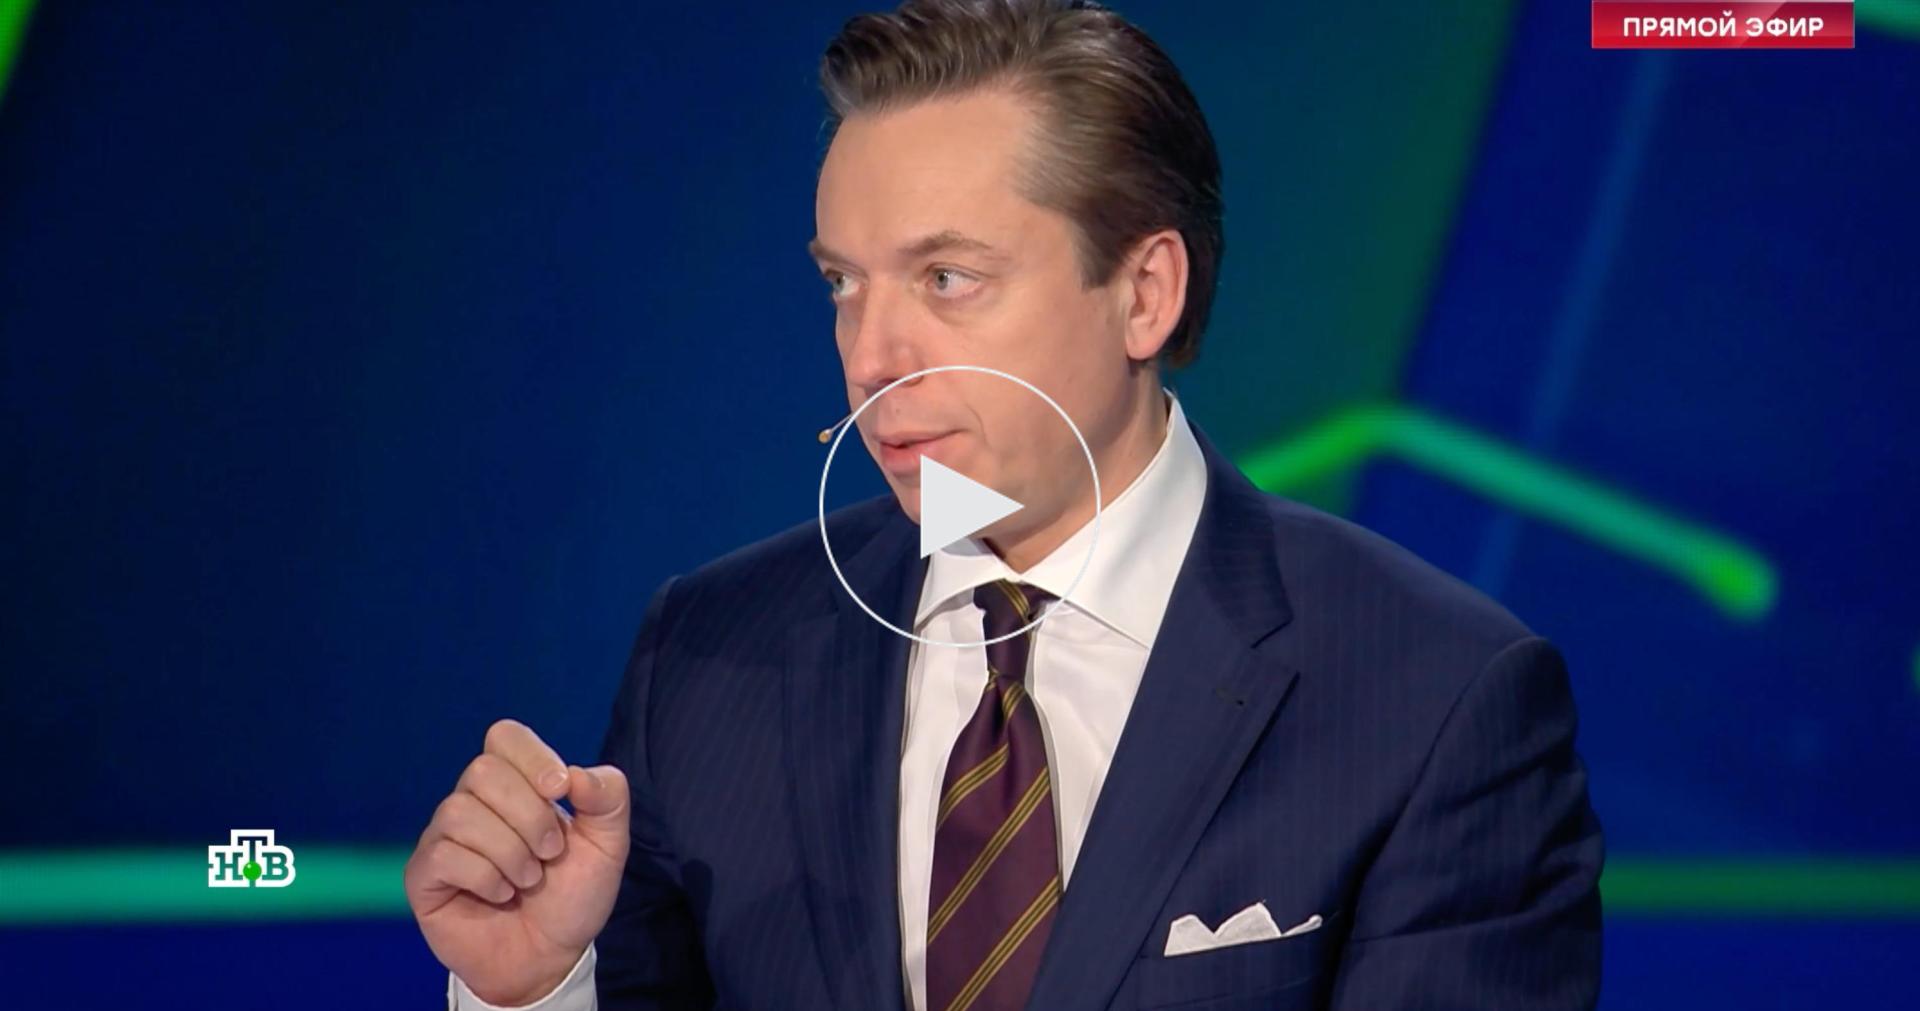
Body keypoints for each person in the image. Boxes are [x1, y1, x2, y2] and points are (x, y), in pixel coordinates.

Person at [404, 2, 1605, 1009]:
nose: (871, 357)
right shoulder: (711, 657)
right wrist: (535, 990)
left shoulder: (1433, 697)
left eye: (947, 278)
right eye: (843, 285)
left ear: (1145, 293)